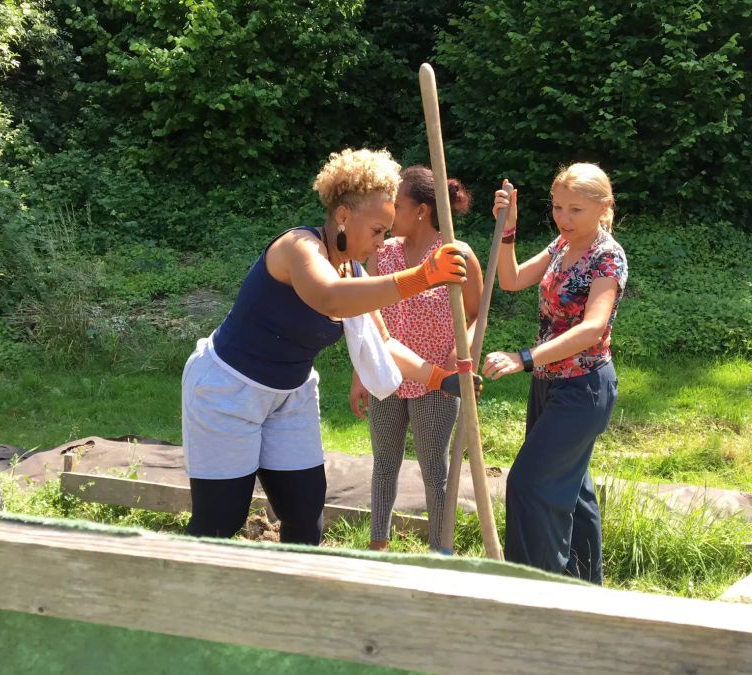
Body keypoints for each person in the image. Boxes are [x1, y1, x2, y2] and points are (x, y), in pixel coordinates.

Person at [181, 148, 478, 545]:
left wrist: (442, 379)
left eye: (386, 233)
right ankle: (182, 595)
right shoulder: (297, 248)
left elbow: (382, 343)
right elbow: (330, 298)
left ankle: (298, 601)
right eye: (376, 231)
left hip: (290, 395)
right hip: (230, 389)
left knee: (306, 514)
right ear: (343, 215)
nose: (381, 243)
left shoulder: (351, 270)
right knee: (222, 518)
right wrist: (423, 276)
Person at [481, 163, 628, 583]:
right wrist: (508, 228)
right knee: (573, 490)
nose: (564, 218)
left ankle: (536, 590)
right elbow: (509, 279)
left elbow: (592, 328)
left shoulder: (607, 256)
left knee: (529, 485)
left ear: (604, 207)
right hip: (549, 386)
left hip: (583, 390)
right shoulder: (562, 245)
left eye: (575, 210)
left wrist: (525, 357)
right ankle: (582, 587)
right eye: (558, 208)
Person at [350, 166, 483, 552]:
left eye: (399, 204)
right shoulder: (383, 254)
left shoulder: (455, 255)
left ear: (422, 210)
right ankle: (378, 546)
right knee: (384, 464)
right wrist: (361, 374)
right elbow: (367, 321)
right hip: (388, 376)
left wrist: (460, 354)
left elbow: (476, 314)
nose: (391, 213)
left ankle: (441, 550)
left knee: (434, 470)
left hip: (437, 381)